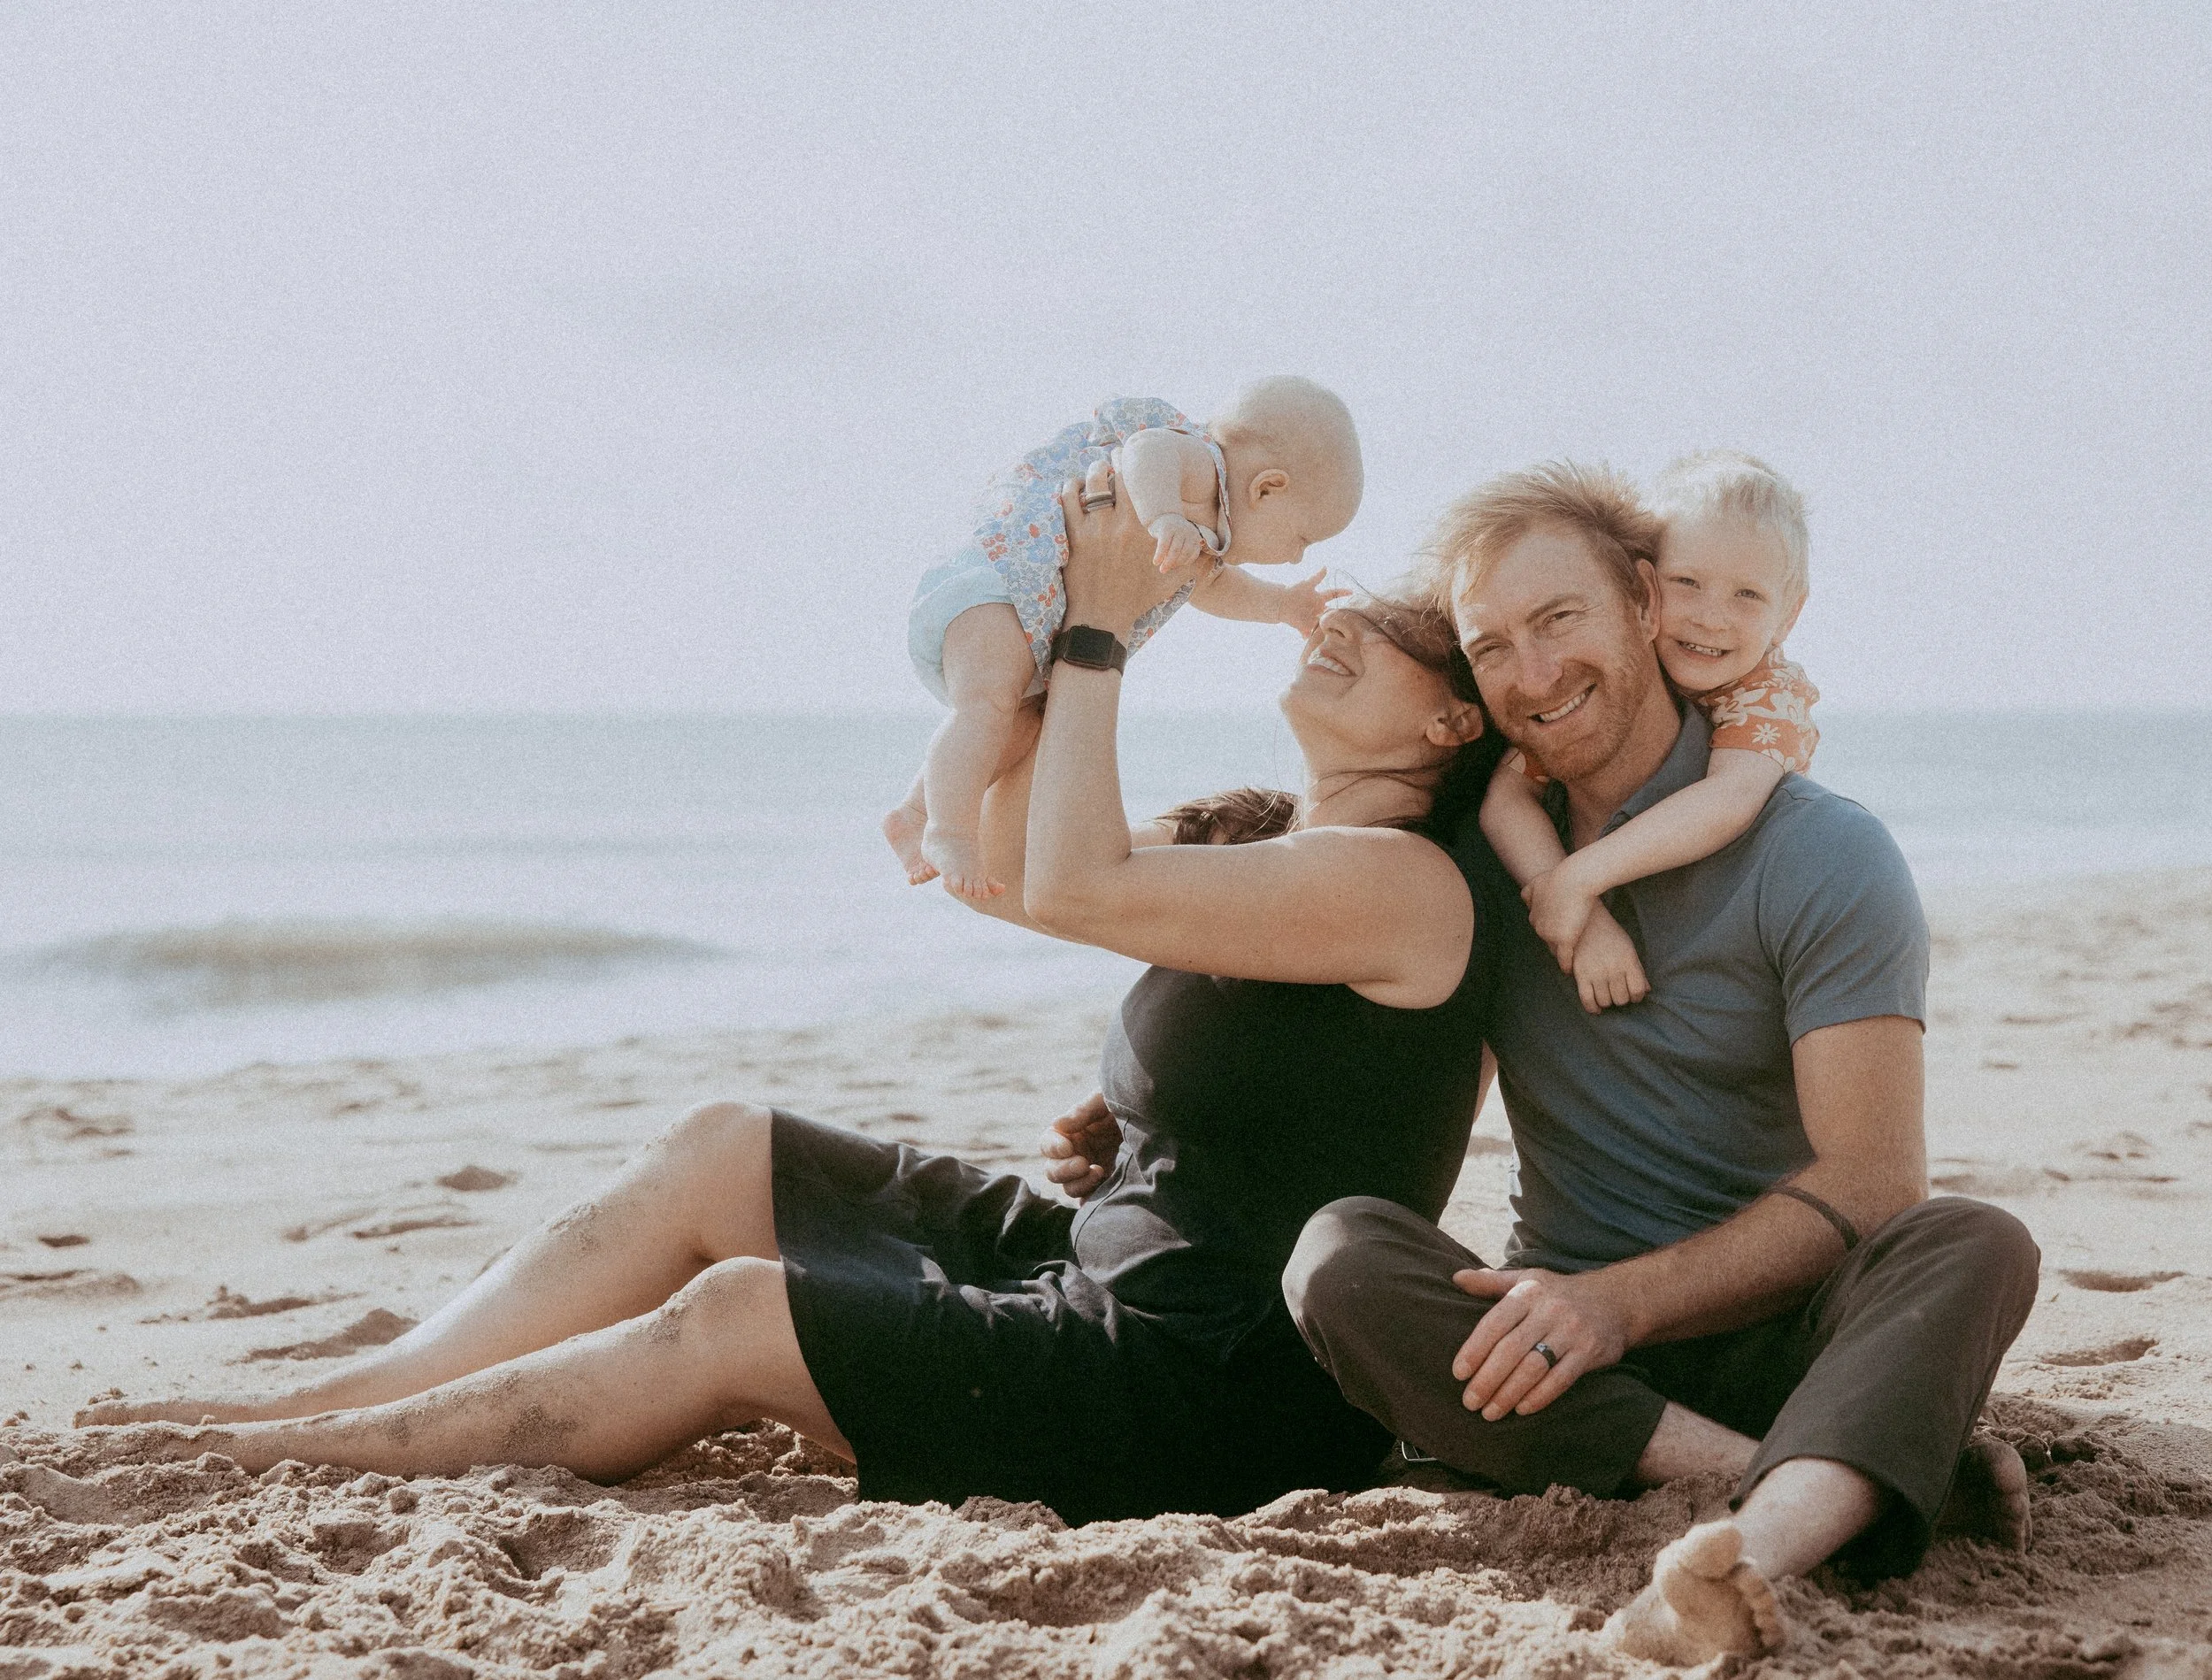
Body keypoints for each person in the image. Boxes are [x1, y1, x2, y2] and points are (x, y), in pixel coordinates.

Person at [73, 478, 1509, 1528]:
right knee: (723, 1143)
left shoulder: (1401, 884)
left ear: (1453, 721)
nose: (1339, 628)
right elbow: (1005, 870)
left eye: (1388, 634)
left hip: (1202, 1387)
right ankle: (352, 1391)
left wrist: (1106, 635)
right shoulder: (1286, 848)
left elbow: (1078, 882)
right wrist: (1019, 659)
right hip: (1104, 1267)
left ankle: (323, 1451)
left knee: (739, 1315)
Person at [1279, 462, 2040, 1666]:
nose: (1534, 674)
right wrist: (1142, 1102)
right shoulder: (1480, 858)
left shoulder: (1821, 851)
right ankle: (1802, 1485)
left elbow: (1876, 1180)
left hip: (1791, 1332)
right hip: (1561, 1350)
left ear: (1644, 599)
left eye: (1561, 618)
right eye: (1493, 646)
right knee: (1340, 1254)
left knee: (1974, 1239)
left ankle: (1754, 1548)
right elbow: (1340, 1014)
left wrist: (1616, 1302)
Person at [885, 377, 1361, 900]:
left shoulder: (1208, 544)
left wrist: (1280, 605)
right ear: (1266, 487)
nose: (1297, 556)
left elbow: (1218, 588)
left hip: (1030, 629)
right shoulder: (1200, 465)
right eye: (1302, 538)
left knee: (1018, 725)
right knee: (986, 705)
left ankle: (917, 810)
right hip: (996, 588)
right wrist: (1163, 516)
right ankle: (949, 832)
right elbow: (1144, 452)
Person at [1479, 450, 1821, 1013]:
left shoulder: (1770, 693)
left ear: (1788, 614)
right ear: (1642, 587)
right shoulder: (1623, 669)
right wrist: (1575, 907)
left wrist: (1580, 878)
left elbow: (1726, 800)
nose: (1710, 617)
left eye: (1748, 595)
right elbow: (1506, 796)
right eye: (1686, 582)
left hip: (1726, 894)